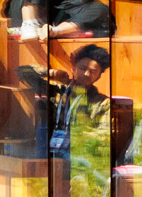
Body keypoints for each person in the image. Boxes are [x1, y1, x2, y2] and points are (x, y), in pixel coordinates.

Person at [18, 46, 114, 197]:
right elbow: (22, 72)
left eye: (93, 72)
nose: (86, 74)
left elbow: (104, 134)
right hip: (49, 149)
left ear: (99, 76)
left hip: (78, 154)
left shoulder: (102, 103)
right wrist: (53, 73)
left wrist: (81, 133)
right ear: (74, 67)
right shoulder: (58, 90)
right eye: (82, 68)